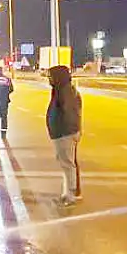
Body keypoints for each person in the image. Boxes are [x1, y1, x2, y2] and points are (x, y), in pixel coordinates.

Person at [45, 65, 82, 206]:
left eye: (51, 77)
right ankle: (66, 194)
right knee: (65, 164)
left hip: (65, 133)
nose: (49, 79)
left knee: (68, 164)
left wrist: (68, 132)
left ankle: (71, 195)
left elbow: (69, 113)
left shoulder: (65, 92)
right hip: (62, 133)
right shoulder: (61, 90)